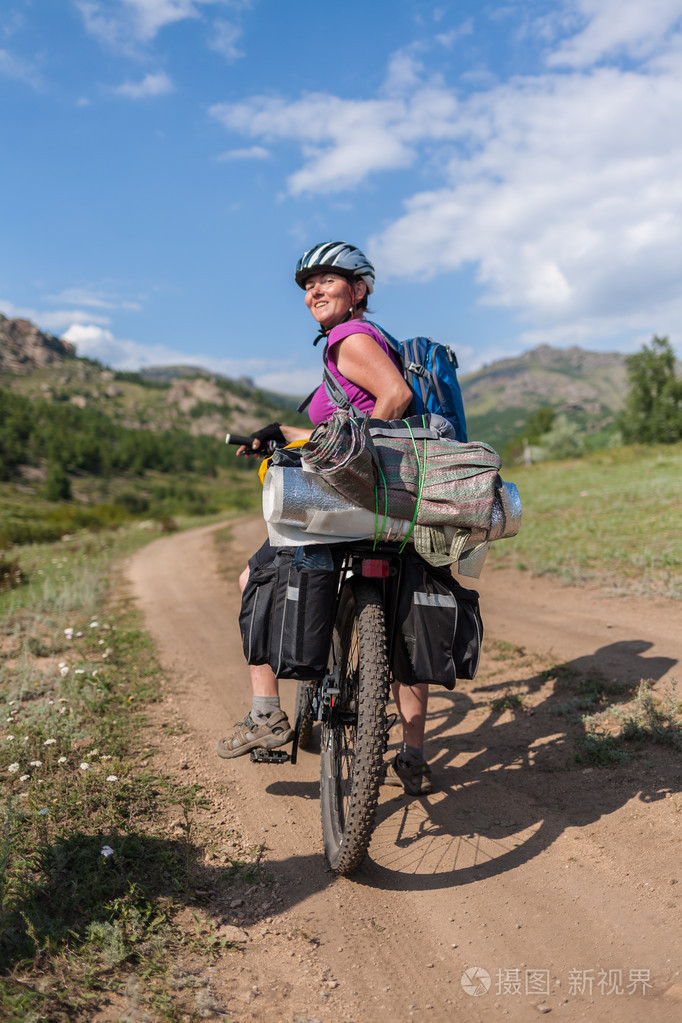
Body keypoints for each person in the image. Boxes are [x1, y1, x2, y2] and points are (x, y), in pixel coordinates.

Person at [216, 241, 433, 795]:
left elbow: (393, 398)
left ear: (358, 290)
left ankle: (266, 715)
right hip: (395, 500)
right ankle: (413, 755)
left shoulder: (347, 337)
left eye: (327, 280)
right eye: (307, 285)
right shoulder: (374, 340)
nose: (314, 290)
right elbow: (343, 423)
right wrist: (278, 434)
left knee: (252, 578)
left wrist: (359, 465)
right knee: (402, 618)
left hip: (354, 495)